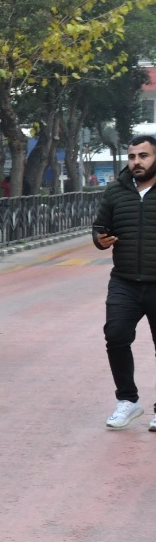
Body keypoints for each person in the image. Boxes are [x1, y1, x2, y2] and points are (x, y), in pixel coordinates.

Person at [94, 135, 156, 430]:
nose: (137, 162)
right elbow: (99, 227)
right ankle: (128, 401)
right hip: (124, 281)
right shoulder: (115, 191)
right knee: (116, 336)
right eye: (132, 157)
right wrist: (100, 240)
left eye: (143, 156)